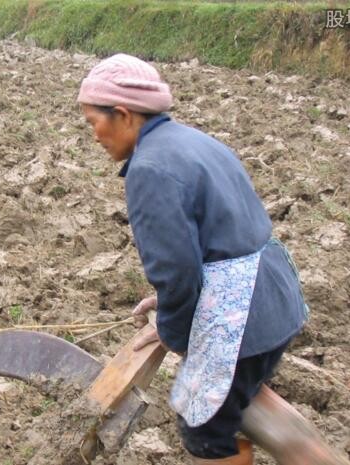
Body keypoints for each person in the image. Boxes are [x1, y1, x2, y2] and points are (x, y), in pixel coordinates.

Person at [77, 53, 310, 464]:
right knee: (241, 398)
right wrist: (170, 306)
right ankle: (313, 455)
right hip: (275, 296)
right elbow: (223, 237)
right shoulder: (194, 141)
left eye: (93, 121)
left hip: (241, 317)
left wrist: (171, 326)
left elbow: (176, 272)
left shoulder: (149, 168)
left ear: (123, 115)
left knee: (204, 426)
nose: (93, 135)